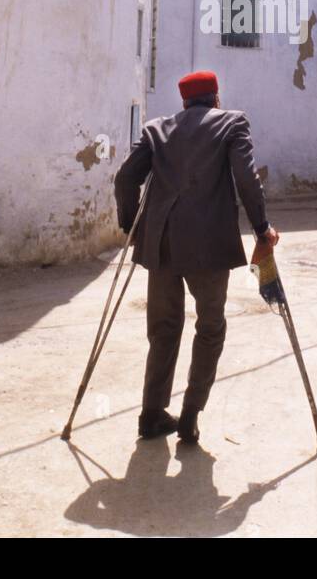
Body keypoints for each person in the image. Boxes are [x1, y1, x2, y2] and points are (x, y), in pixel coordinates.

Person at [114, 70, 277, 446]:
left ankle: (152, 414)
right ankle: (189, 415)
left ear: (184, 101)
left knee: (163, 330)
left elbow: (125, 179)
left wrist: (132, 227)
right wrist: (261, 227)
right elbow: (246, 178)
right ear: (215, 97)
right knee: (210, 327)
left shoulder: (157, 129)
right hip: (208, 246)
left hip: (162, 246)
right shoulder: (233, 123)